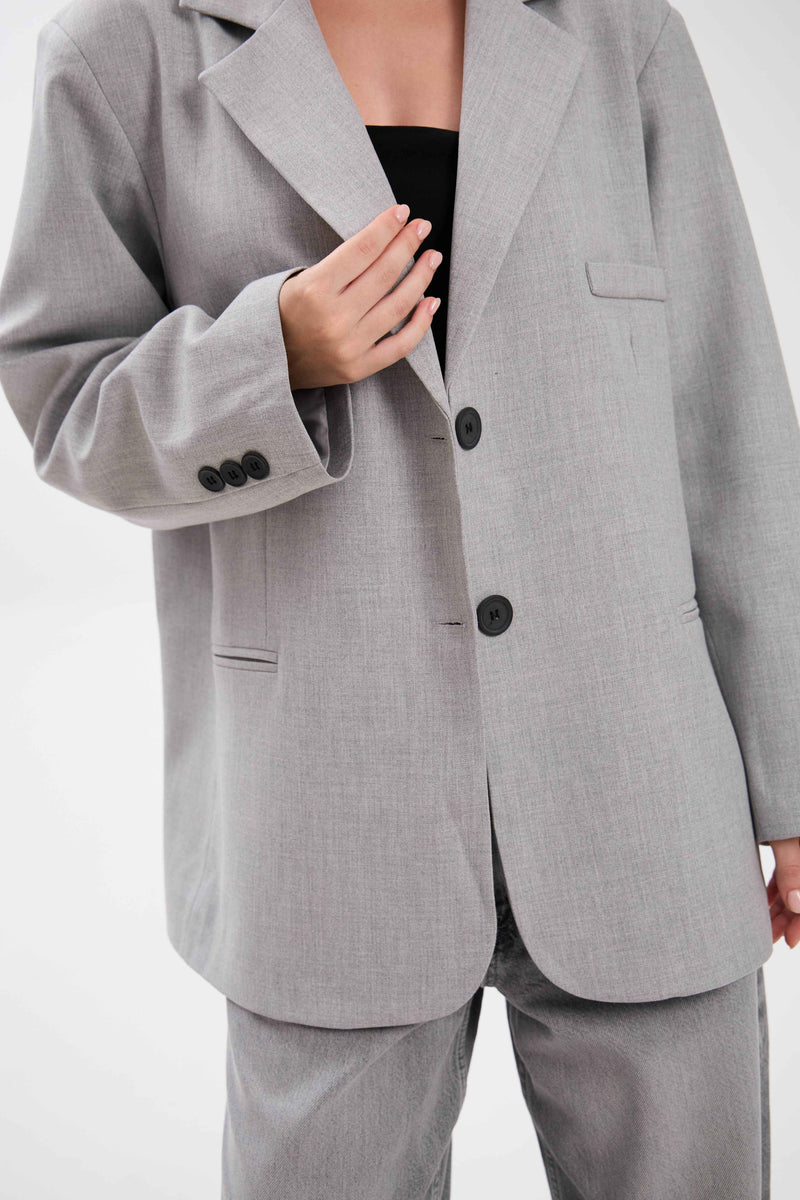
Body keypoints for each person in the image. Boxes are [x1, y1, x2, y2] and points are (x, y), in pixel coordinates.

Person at [0, 0, 798, 1195]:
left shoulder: (618, 32)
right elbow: (67, 408)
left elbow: (728, 408)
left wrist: (788, 767)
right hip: (325, 815)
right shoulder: (121, 50)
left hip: (643, 795)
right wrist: (271, 354)